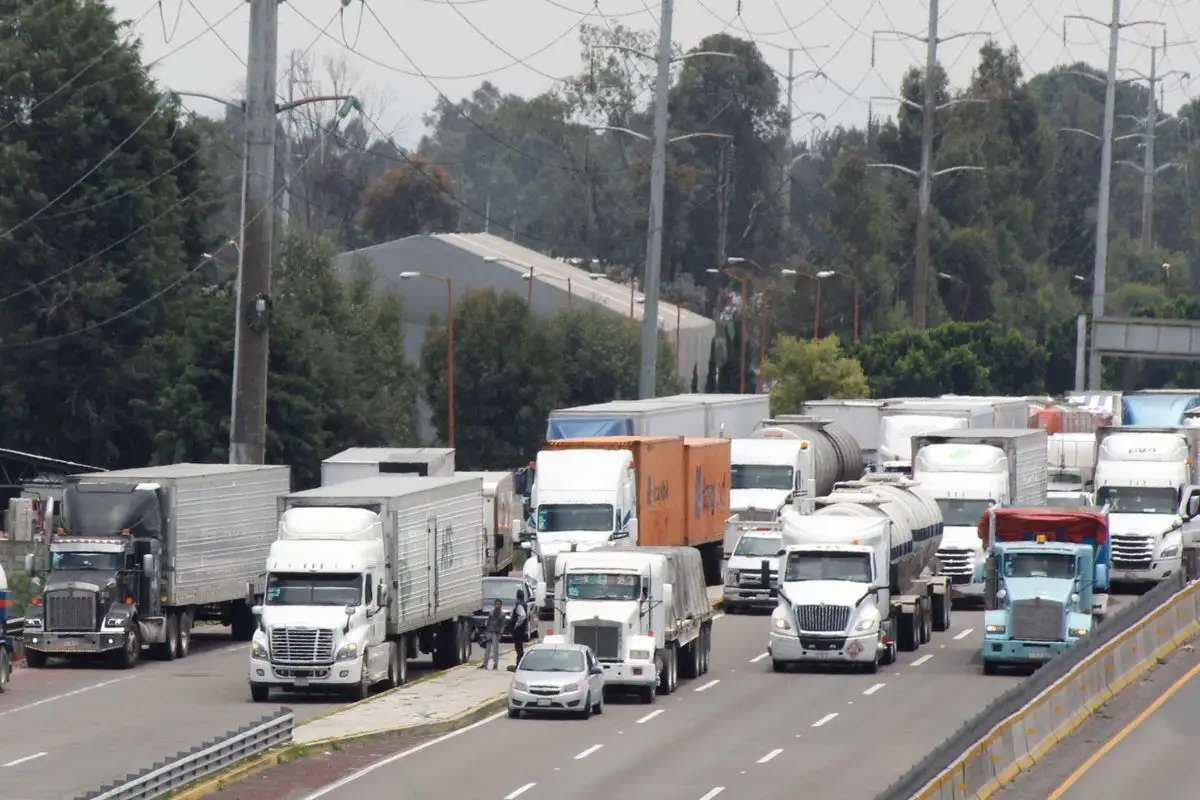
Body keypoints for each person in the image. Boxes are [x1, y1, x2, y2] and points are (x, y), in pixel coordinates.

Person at [480, 598, 504, 670]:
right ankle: (485, 664)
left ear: (501, 605)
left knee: (495, 649)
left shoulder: (502, 614)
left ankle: (495, 664)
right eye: (496, 604)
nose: (497, 606)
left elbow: (502, 625)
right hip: (489, 632)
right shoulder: (491, 613)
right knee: (487, 649)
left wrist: (500, 634)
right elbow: (488, 622)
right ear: (494, 605)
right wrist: (486, 631)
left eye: (499, 604)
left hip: (496, 633)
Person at [511, 588, 530, 665]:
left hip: (519, 630)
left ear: (517, 596)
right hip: (522, 629)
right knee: (520, 647)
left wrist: (516, 625)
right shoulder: (525, 604)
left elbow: (523, 616)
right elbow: (527, 615)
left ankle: (519, 663)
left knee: (518, 648)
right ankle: (519, 662)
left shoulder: (519, 605)